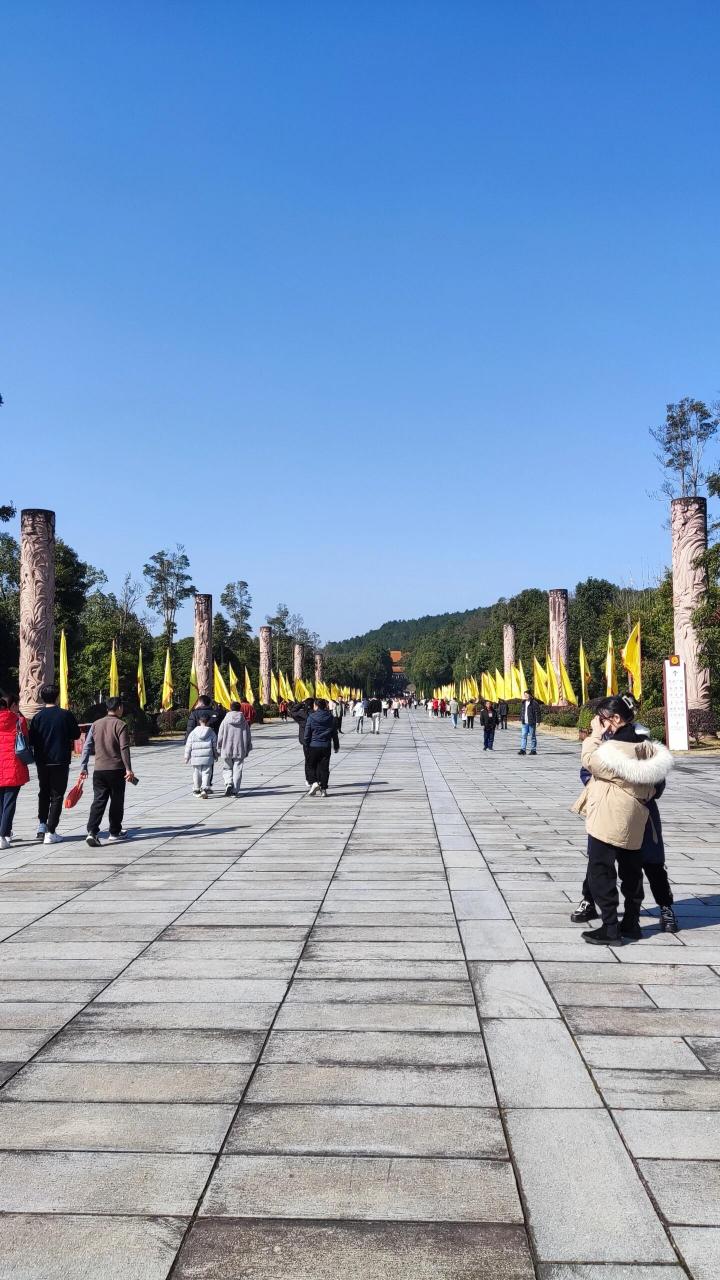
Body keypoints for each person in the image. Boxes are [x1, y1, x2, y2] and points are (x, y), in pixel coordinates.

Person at [571, 694, 674, 945]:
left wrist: (594, 735)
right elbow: (656, 787)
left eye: (602, 718)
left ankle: (610, 927)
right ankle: (632, 922)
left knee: (601, 869)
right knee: (632, 871)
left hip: (608, 816)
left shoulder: (612, 750)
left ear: (615, 718)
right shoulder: (647, 748)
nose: (599, 721)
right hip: (636, 816)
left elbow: (588, 761)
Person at [79, 698, 137, 846]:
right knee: (116, 801)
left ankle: (92, 831)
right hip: (116, 769)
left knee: (99, 801)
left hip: (99, 770)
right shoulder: (121, 724)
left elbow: (87, 746)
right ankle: (114, 831)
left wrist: (84, 766)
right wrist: (129, 769)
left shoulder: (96, 724)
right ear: (118, 708)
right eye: (122, 707)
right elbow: (124, 748)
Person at [28, 683, 80, 844]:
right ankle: (51, 831)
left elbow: (32, 739)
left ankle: (42, 825)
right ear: (57, 697)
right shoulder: (65, 715)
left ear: (43, 698)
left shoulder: (37, 717)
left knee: (43, 791)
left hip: (42, 761)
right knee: (57, 795)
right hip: (60, 760)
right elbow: (76, 734)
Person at [0, 695, 30, 850]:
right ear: (11, 705)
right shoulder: (19, 721)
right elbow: (26, 739)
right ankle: (3, 835)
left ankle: (4, 833)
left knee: (1, 803)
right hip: (13, 766)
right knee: (9, 803)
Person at [304, 697, 339, 796]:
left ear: (316, 706)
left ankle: (314, 783)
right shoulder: (331, 717)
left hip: (313, 745)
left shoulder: (311, 717)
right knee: (324, 768)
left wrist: (306, 744)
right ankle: (324, 789)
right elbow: (334, 733)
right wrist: (336, 745)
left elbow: (307, 733)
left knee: (310, 765)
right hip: (326, 746)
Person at [216, 701, 252, 797]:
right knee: (238, 769)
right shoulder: (243, 721)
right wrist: (248, 747)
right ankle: (235, 790)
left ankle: (228, 783)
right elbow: (248, 735)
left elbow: (220, 735)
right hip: (240, 748)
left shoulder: (225, 720)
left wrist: (218, 746)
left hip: (226, 748)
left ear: (230, 708)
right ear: (239, 708)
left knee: (227, 767)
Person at [184, 710, 220, 798]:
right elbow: (214, 745)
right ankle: (204, 788)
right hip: (208, 757)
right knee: (207, 773)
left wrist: (187, 756)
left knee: (196, 773)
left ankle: (196, 789)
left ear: (199, 721)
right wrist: (216, 755)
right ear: (208, 722)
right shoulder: (211, 732)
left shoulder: (193, 733)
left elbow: (188, 745)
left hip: (195, 758)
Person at [290, 697, 316, 789]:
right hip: (316, 741)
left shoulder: (302, 714)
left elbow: (292, 711)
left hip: (305, 741)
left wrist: (301, 703)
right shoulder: (316, 714)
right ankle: (316, 779)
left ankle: (309, 780)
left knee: (308, 760)